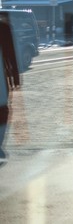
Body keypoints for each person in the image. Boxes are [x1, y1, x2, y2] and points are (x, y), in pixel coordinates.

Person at [0, 18, 21, 164]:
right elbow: (11, 53)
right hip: (1, 77)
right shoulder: (3, 27)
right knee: (3, 111)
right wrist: (15, 77)